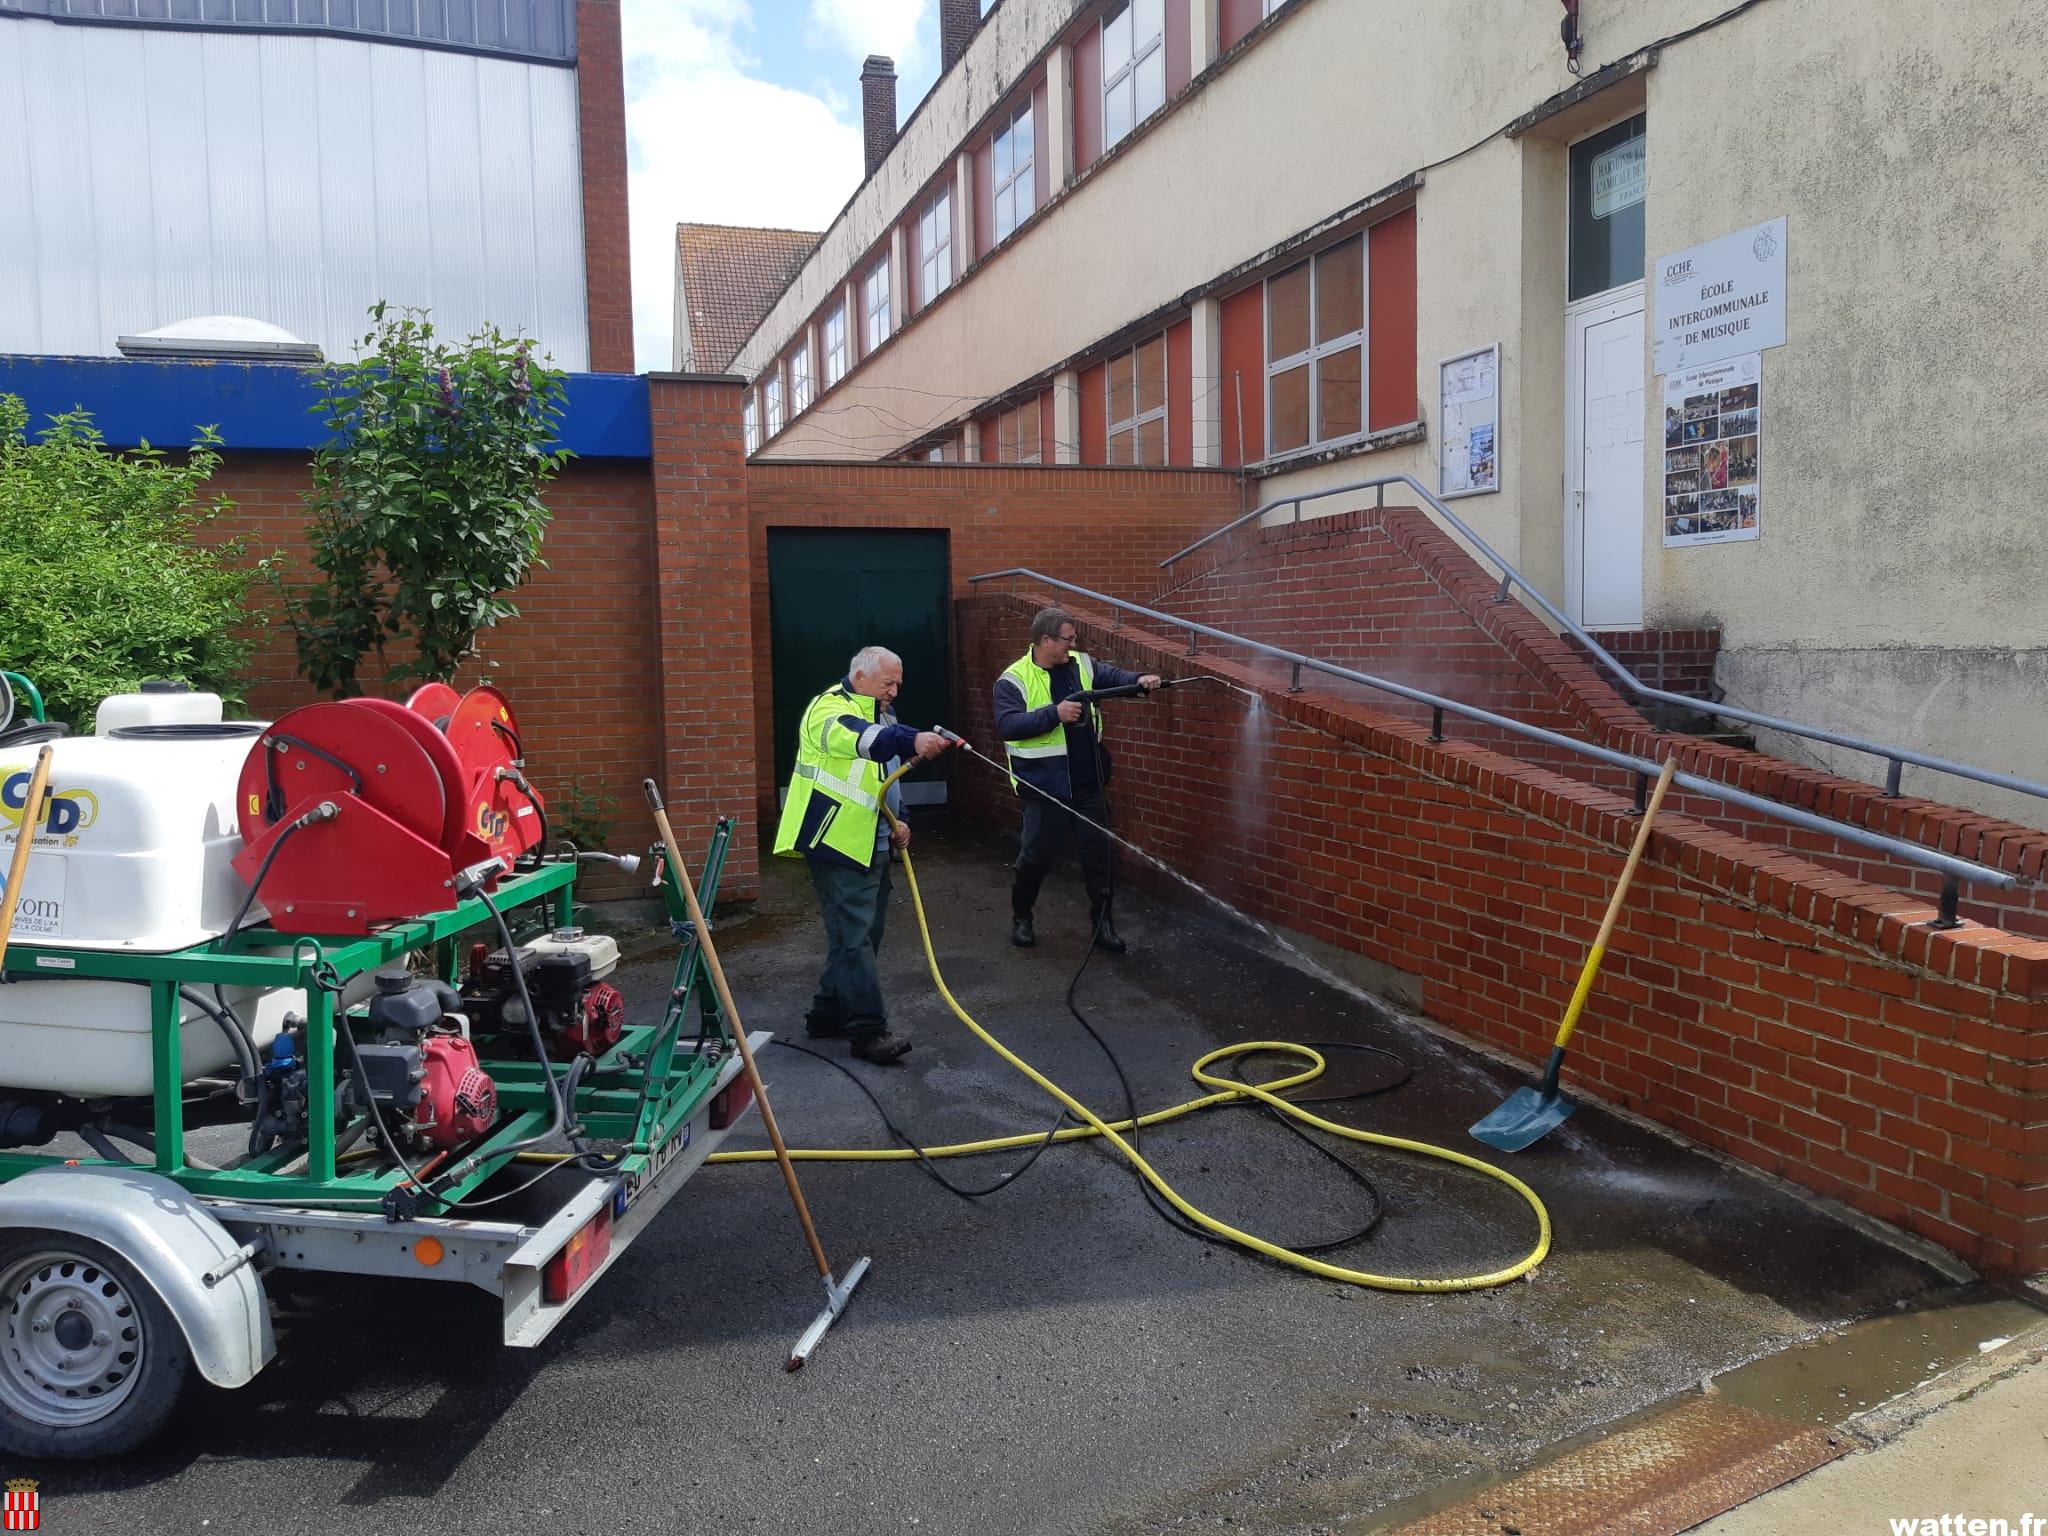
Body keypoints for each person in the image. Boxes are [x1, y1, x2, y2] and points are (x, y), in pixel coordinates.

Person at [773, 645, 953, 1064]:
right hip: (833, 839)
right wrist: (912, 737)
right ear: (860, 678)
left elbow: (888, 775)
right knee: (855, 938)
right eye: (888, 682)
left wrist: (900, 819)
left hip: (869, 839)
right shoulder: (828, 710)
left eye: (898, 683)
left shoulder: (882, 714)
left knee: (860, 936)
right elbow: (865, 742)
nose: (894, 690)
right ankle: (869, 1033)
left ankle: (826, 1013)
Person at [993, 607, 1159, 953]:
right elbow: (1008, 726)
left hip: (1088, 784)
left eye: (1073, 639)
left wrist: (1139, 680)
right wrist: (1055, 714)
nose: (1073, 644)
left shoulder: (1080, 664)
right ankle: (1022, 917)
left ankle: (1103, 925)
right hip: (1045, 790)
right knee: (1036, 857)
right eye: (1067, 639)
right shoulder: (1013, 679)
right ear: (1045, 640)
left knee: (1100, 857)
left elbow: (1111, 677)